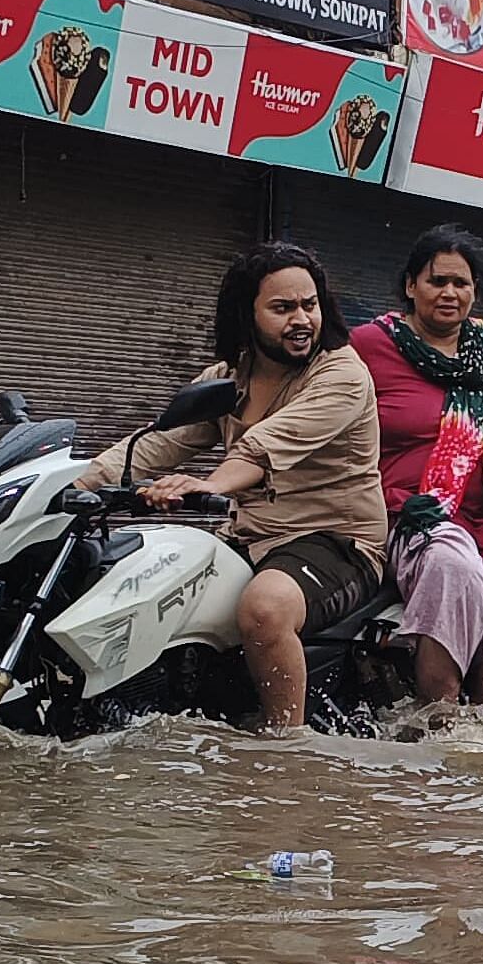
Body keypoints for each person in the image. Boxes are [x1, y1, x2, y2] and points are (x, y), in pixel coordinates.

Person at [87, 243, 387, 729]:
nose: (301, 320)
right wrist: (75, 482)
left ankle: (285, 744)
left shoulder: (342, 373)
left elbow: (264, 446)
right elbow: (156, 444)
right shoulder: (227, 378)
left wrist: (207, 484)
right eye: (282, 307)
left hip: (338, 542)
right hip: (248, 538)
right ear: (246, 314)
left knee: (264, 608)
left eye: (309, 305)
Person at [352, 225, 483, 707]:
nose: (449, 293)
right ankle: (439, 718)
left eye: (461, 284)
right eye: (437, 281)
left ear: (475, 292)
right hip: (416, 516)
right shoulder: (368, 346)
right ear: (411, 286)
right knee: (455, 563)